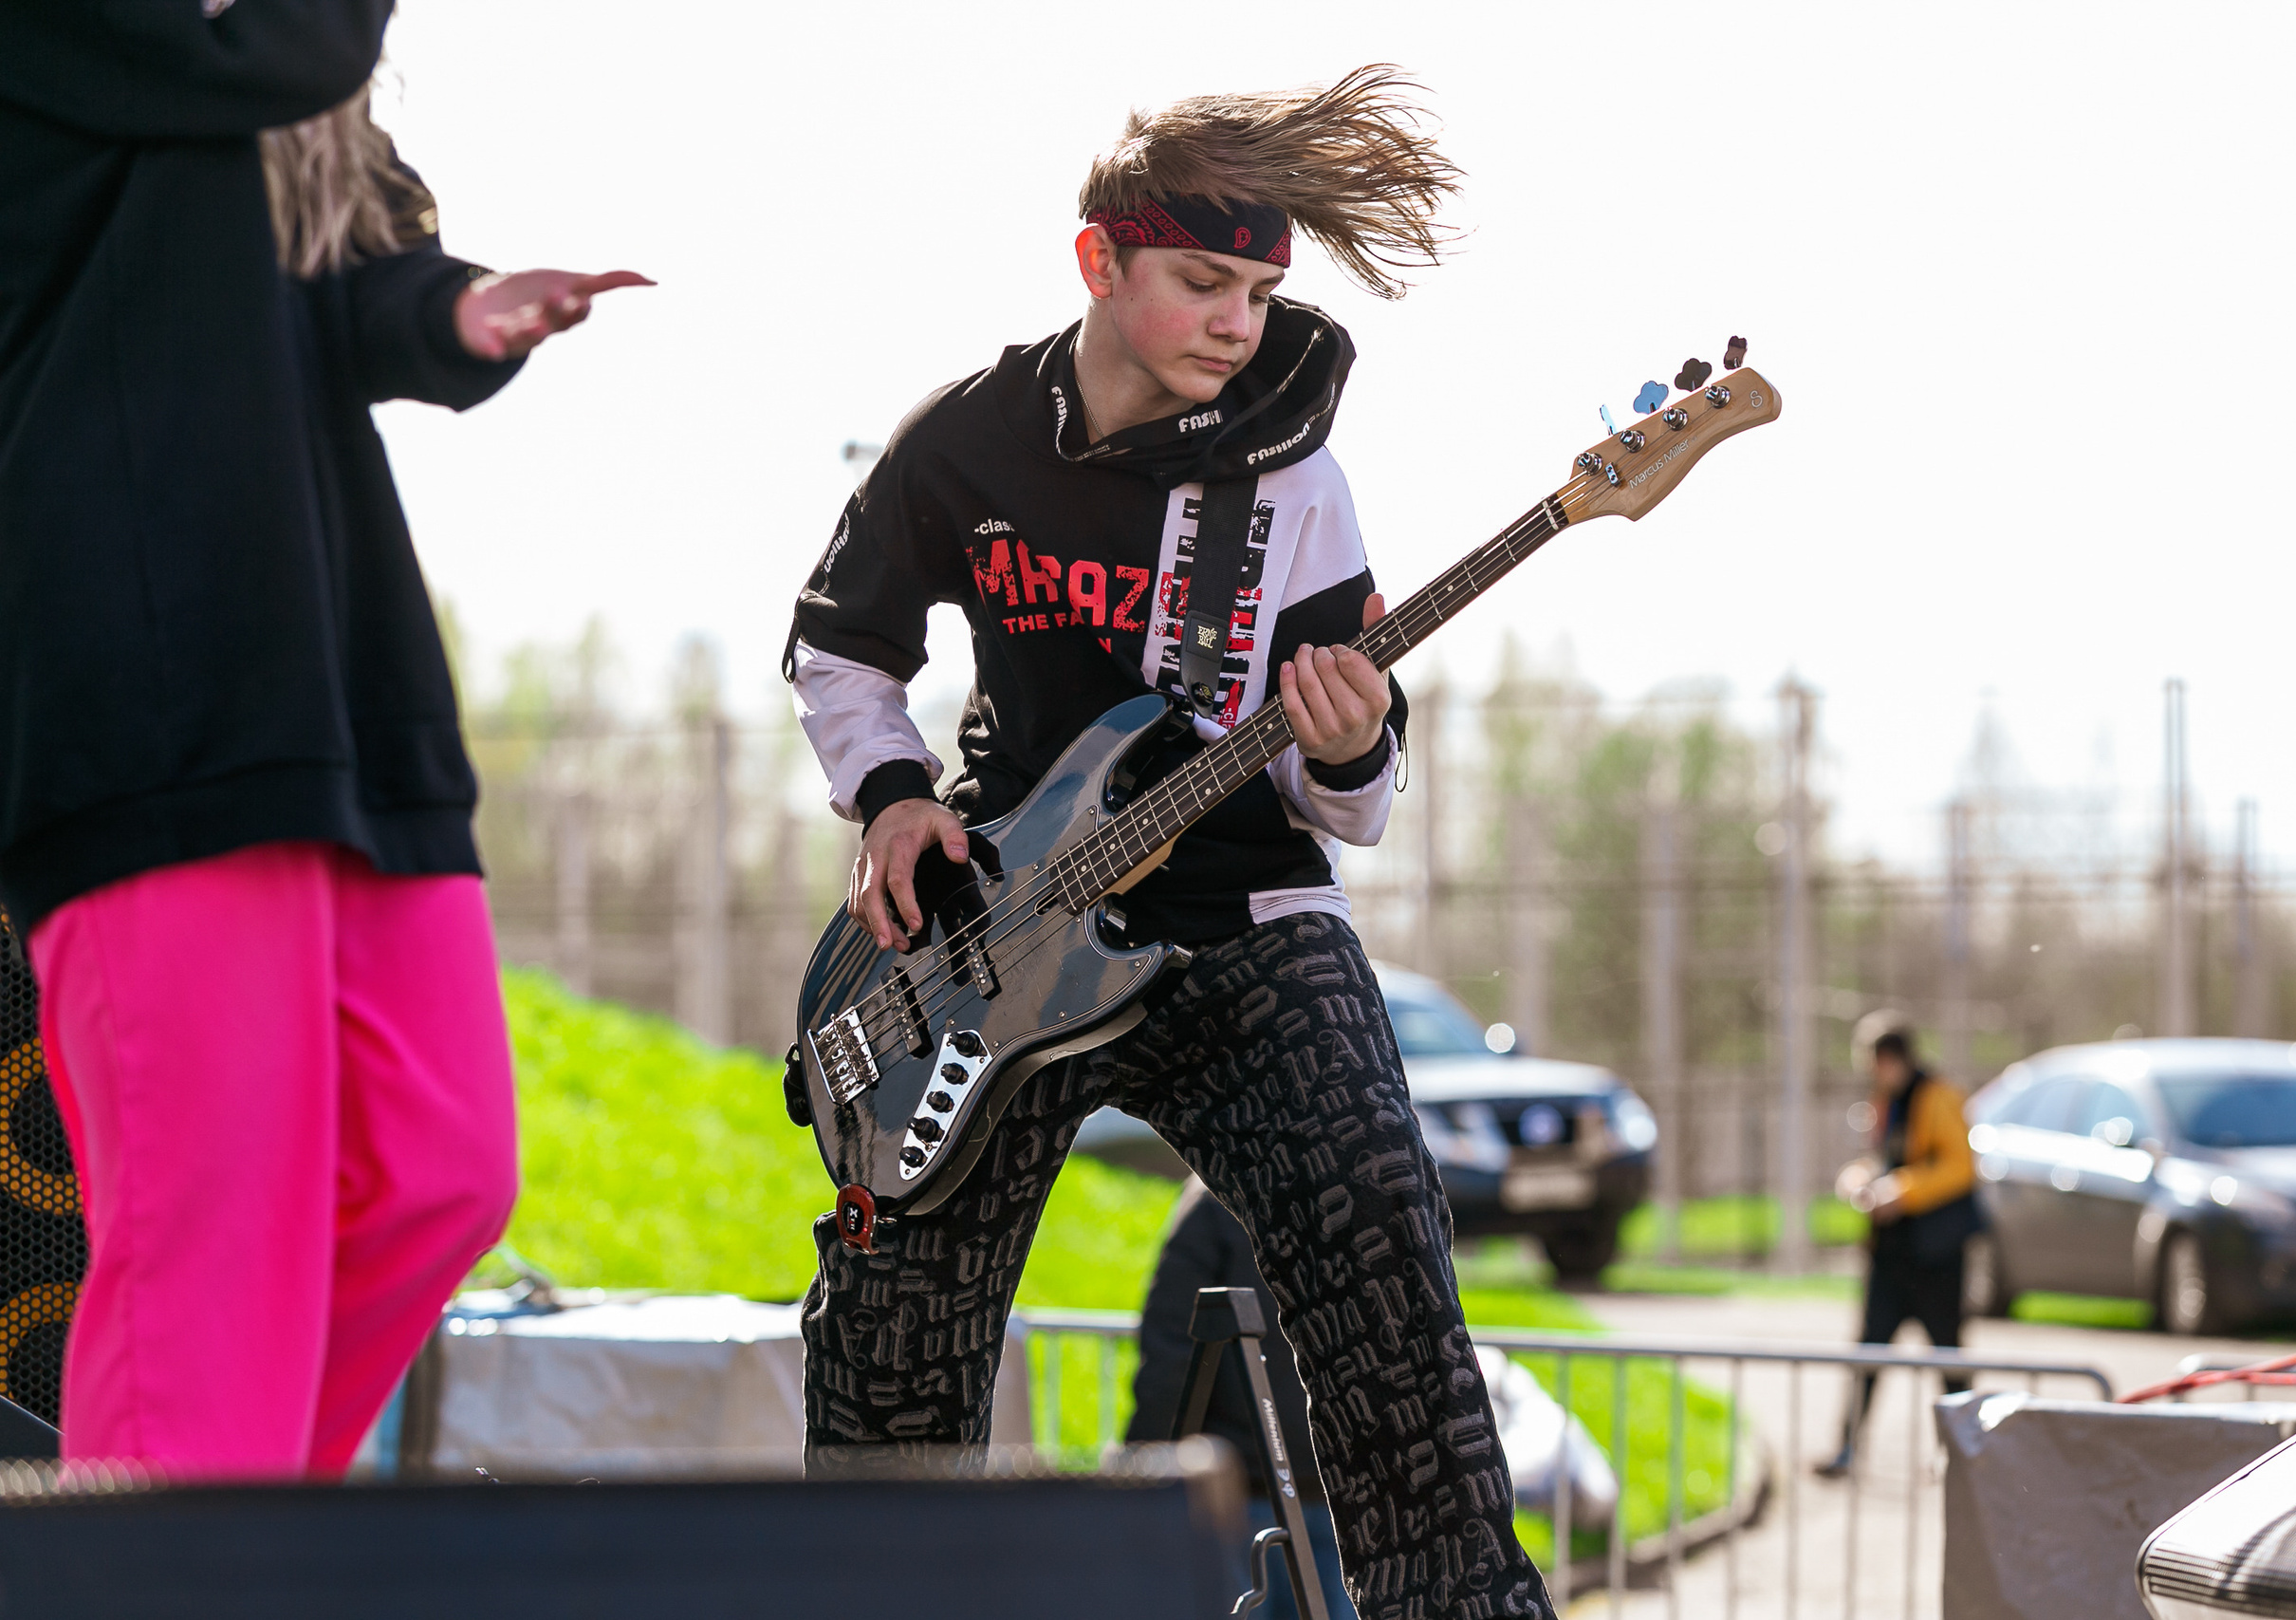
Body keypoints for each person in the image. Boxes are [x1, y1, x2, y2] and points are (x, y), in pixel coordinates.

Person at [787, 66, 1555, 1616]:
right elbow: (838, 646)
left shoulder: (1293, 473)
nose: (1236, 323)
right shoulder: (966, 438)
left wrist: (1347, 739)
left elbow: (1355, 802)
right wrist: (895, 794)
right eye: (1203, 283)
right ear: (1100, 262)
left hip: (1246, 920)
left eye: (1260, 294)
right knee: (891, 1343)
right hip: (998, 933)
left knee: (1385, 1257)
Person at [0, 5, 647, 1478]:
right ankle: (174, 1555)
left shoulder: (250, 74)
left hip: (338, 675)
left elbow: (327, 287)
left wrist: (458, 310)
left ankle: (225, 1528)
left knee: (435, 1166)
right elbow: (259, 63)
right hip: (143, 681)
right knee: (208, 1218)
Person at [1129, 1180, 1357, 1620]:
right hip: (1340, 1487)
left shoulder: (1217, 1194)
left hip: (1245, 1488)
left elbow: (1173, 1346)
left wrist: (1145, 1467)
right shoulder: (1346, 1183)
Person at [1815, 1015, 1982, 1479]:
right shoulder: (1885, 1102)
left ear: (1892, 1058)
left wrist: (1902, 1191)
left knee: (1948, 1357)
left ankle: (1964, 1455)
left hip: (1936, 1256)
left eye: (1875, 1062)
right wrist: (1861, 1179)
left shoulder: (1940, 1097)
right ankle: (1847, 1447)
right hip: (1891, 1255)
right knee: (1868, 1353)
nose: (1873, 1072)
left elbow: (1958, 1167)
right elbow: (1884, 1159)